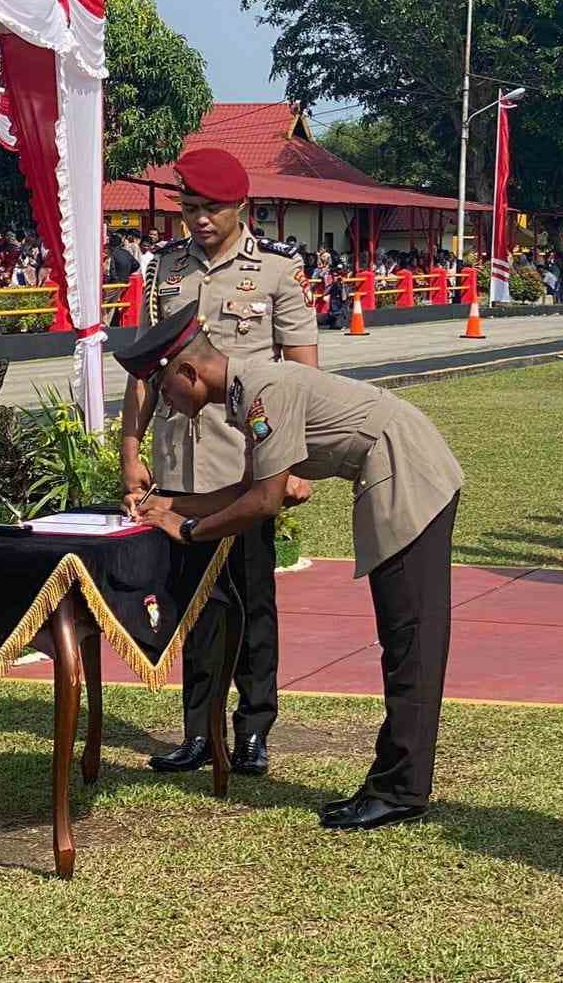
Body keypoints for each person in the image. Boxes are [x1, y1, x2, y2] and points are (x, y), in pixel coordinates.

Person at [119, 301, 462, 830]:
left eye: (165, 391)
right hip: (395, 467)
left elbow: (264, 503)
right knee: (405, 642)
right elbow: (248, 489)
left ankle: (400, 789)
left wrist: (187, 530)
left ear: (189, 373)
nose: (165, 404)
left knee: (410, 641)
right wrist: (171, 504)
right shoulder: (247, 392)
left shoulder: (261, 392)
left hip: (407, 471)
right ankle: (396, 783)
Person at [119, 148, 319, 778]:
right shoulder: (165, 271)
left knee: (252, 596)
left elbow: (303, 374)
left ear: (242, 208)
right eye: (190, 208)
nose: (199, 220)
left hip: (247, 466)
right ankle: (199, 730)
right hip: (179, 463)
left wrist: (296, 465)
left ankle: (254, 726)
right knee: (192, 601)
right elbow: (145, 368)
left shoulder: (277, 274)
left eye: (212, 209)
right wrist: (131, 447)